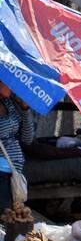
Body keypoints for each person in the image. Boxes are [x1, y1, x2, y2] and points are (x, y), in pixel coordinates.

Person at [0, 86, 34, 214]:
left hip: (15, 171)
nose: (12, 85)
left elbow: (27, 138)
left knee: (12, 217)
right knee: (5, 216)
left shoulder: (8, 103)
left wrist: (25, 108)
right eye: (7, 82)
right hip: (1, 172)